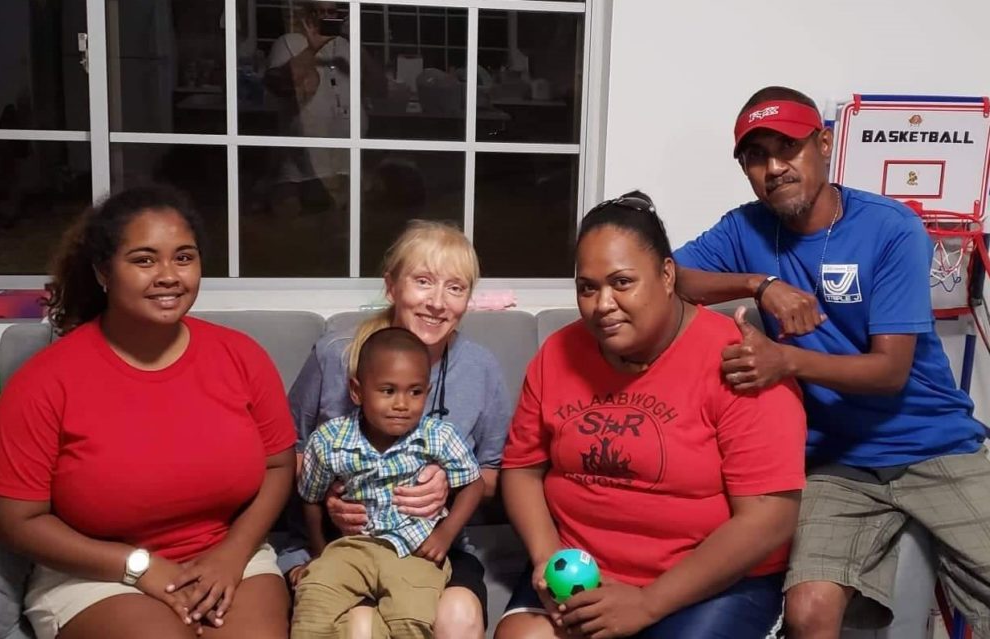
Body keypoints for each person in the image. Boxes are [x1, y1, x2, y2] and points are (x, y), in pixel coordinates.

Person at [673, 86, 990, 638]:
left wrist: (784, 361)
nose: (774, 167)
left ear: (824, 143)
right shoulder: (745, 227)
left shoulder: (890, 227)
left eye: (788, 147)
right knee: (807, 611)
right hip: (835, 460)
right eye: (756, 156)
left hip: (934, 443)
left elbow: (888, 371)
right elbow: (669, 276)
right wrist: (759, 284)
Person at [0, 185, 296, 639]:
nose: (168, 275)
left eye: (184, 258)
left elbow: (279, 463)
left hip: (225, 556)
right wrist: (138, 567)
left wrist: (234, 551)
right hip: (95, 574)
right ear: (103, 272)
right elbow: (14, 519)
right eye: (144, 260)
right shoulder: (46, 380)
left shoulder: (241, 357)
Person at [495, 192, 807, 639]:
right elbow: (523, 467)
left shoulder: (743, 360)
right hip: (583, 571)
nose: (602, 304)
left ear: (666, 276)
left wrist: (647, 603)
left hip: (713, 584)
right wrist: (547, 557)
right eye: (588, 287)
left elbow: (769, 518)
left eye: (622, 282)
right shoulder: (557, 355)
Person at [281, 219, 511, 638]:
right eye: (423, 281)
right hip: (340, 544)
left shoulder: (481, 370)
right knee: (359, 625)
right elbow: (287, 453)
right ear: (392, 287)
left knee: (458, 617)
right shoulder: (335, 356)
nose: (438, 303)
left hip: (432, 543)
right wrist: (330, 495)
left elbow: (493, 477)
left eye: (455, 288)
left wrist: (449, 483)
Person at [291, 327, 484, 638]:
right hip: (349, 548)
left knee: (412, 617)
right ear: (357, 391)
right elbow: (310, 498)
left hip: (413, 550)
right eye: (387, 390)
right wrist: (319, 551)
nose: (402, 404)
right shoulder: (329, 441)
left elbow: (473, 484)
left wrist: (445, 534)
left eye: (415, 392)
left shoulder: (438, 436)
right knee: (313, 601)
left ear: (428, 390)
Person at [264, 1, 385, 215]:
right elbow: (279, 86)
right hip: (300, 177)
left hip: (347, 173)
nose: (325, 17)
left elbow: (380, 88)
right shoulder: (289, 42)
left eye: (331, 12)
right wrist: (313, 48)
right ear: (307, 14)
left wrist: (356, 42)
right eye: (318, 11)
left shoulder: (348, 47)